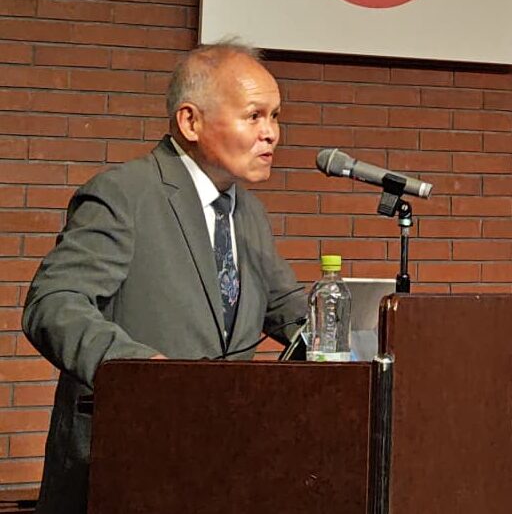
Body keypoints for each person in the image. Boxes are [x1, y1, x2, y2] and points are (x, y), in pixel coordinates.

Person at [22, 41, 308, 514]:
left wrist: (350, 331)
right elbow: (53, 303)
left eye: (275, 116)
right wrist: (139, 370)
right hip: (126, 460)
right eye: (254, 116)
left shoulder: (247, 212)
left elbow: (286, 307)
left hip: (221, 465)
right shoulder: (124, 194)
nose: (271, 133)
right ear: (190, 121)